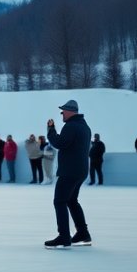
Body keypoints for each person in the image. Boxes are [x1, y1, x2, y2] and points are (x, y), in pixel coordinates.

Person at [44, 100, 91, 248]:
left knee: (60, 201)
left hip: (70, 171)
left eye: (63, 111)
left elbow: (59, 143)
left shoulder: (71, 126)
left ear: (70, 111)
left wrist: (51, 130)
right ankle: (83, 233)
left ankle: (64, 236)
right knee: (71, 201)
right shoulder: (84, 126)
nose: (61, 114)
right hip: (80, 170)